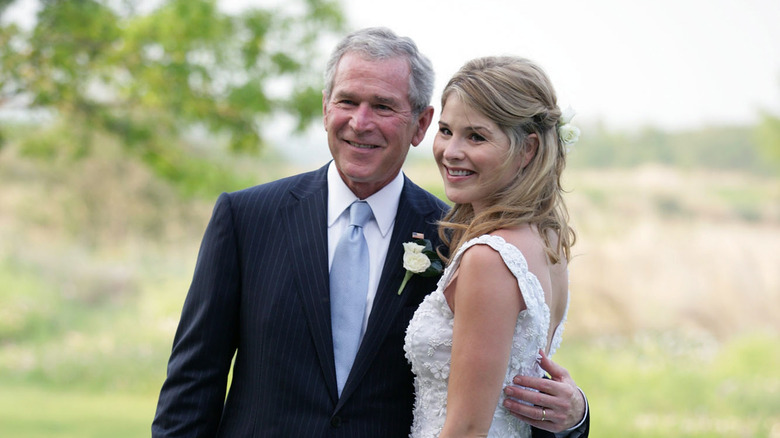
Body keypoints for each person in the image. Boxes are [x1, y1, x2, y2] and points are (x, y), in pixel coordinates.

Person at [152, 27, 588, 437]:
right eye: (347, 102)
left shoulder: (458, 239)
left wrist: (574, 418)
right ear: (325, 108)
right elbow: (194, 381)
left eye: (382, 106)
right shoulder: (245, 218)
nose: (360, 122)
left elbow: (500, 398)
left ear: (419, 123)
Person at [404, 56, 584, 437]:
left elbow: (467, 429)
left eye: (476, 136)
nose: (451, 151)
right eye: (446, 130)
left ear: (528, 150)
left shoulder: (490, 258)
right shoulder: (547, 239)